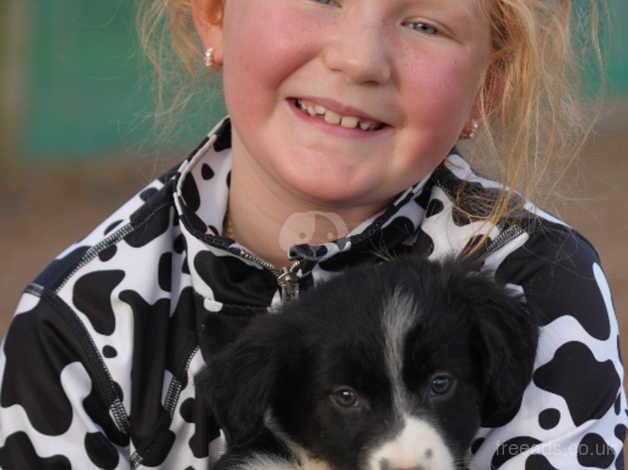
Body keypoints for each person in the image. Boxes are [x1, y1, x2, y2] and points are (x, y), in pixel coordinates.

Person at [0, 0, 625, 468]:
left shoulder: (532, 280)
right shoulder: (74, 328)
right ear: (214, 14)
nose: (358, 60)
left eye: (425, 23)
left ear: (490, 82)